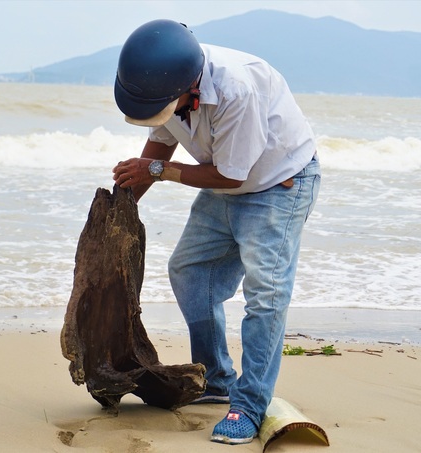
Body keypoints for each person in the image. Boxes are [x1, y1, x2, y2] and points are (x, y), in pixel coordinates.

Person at [112, 19, 320, 445]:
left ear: (188, 86)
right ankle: (216, 379)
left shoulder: (235, 90)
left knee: (266, 295)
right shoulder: (167, 77)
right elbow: (162, 141)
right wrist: (122, 205)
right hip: (228, 179)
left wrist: (157, 171)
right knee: (189, 269)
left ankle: (250, 403)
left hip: (278, 185)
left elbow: (229, 174)